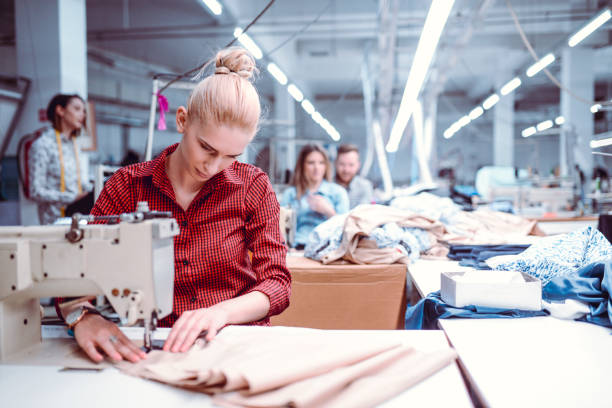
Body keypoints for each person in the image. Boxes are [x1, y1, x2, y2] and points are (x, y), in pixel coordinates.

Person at [58, 47, 291, 363]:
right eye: (206, 148)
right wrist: (82, 317)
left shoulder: (253, 186)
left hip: (236, 343)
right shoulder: (127, 187)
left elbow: (276, 283)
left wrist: (220, 313)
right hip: (156, 347)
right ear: (182, 120)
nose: (213, 166)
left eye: (230, 157)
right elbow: (74, 275)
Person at [28, 94, 93, 224]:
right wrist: (72, 197)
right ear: (60, 110)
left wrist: (95, 187)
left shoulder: (75, 146)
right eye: (77, 109)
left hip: (78, 218)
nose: (82, 114)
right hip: (54, 222)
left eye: (84, 111)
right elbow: (35, 191)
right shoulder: (43, 145)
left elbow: (79, 182)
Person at [280, 144, 349, 248]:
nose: (316, 168)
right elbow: (281, 229)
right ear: (302, 165)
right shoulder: (290, 194)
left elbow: (346, 230)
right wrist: (287, 248)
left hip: (328, 248)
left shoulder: (338, 192)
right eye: (311, 163)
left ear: (326, 166)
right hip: (298, 248)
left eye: (321, 163)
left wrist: (328, 211)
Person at [334, 144, 373, 208]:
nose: (346, 170)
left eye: (351, 165)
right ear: (335, 163)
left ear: (358, 165)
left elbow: (362, 215)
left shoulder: (365, 187)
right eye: (342, 164)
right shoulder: (327, 185)